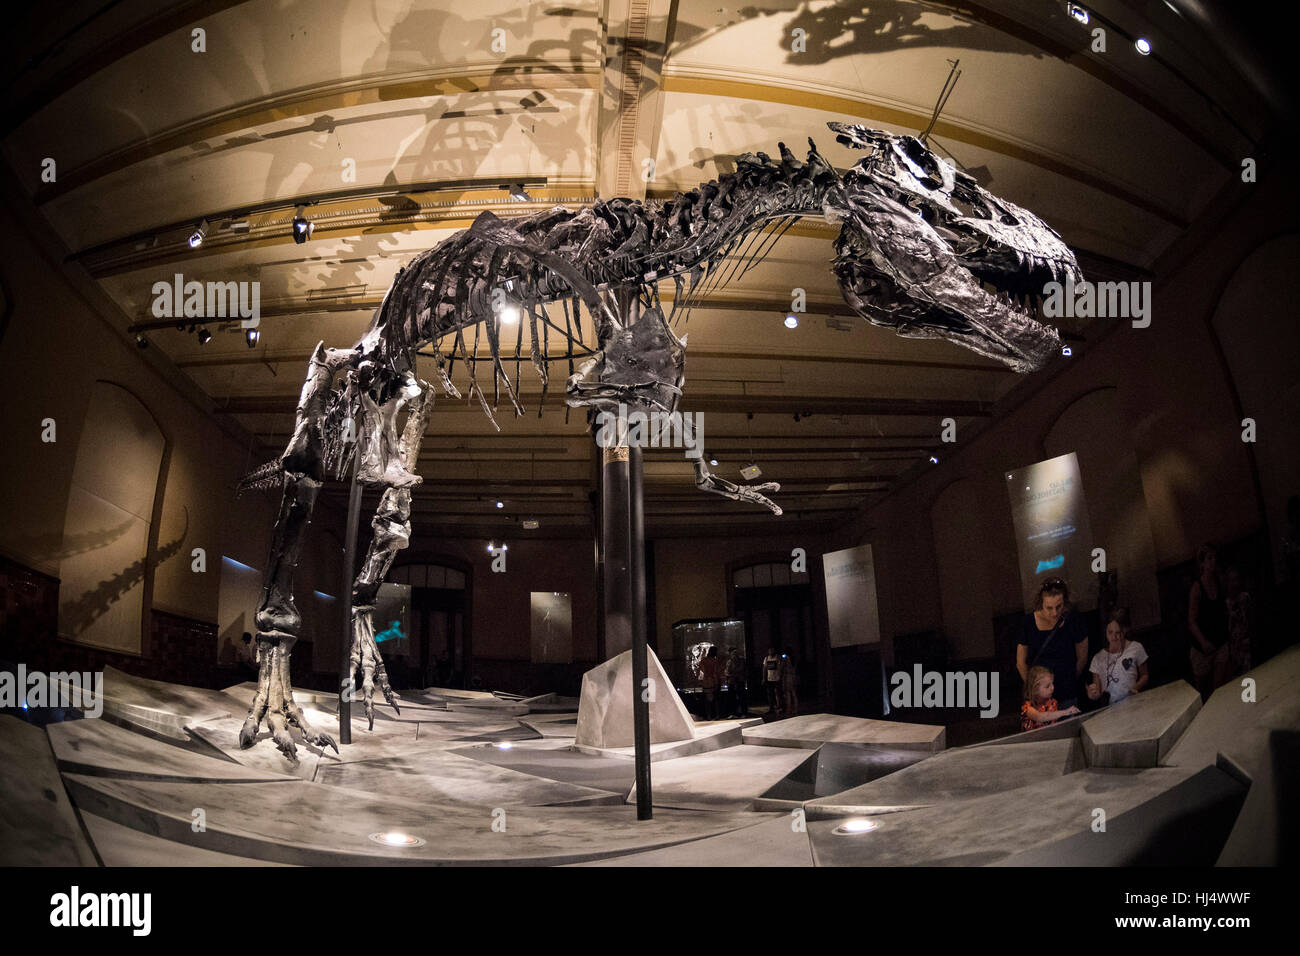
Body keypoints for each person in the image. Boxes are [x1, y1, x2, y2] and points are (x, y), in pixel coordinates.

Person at [1016, 577, 1089, 709]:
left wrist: (1069, 678)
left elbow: (1082, 657)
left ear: (1065, 602)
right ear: (1041, 603)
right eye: (1049, 608)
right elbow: (1020, 662)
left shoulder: (1073, 619)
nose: (1054, 613)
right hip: (1040, 697)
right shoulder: (1028, 622)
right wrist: (1033, 689)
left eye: (1059, 606)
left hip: (1067, 692)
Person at [1188, 543, 1232, 698]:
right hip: (1202, 646)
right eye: (1209, 558)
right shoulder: (1197, 587)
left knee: (1219, 686)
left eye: (1214, 558)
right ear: (1202, 563)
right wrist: (1203, 642)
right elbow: (1192, 621)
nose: (1213, 561)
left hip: (1220, 640)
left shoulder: (1220, 581)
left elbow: (1224, 606)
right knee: (1202, 688)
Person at [1086, 608, 1149, 706]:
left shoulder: (1136, 648)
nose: (1114, 637)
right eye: (1110, 632)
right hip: (1110, 710)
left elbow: (1145, 675)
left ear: (1125, 630)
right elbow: (1097, 692)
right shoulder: (1098, 658)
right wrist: (1092, 694)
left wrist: (1135, 688)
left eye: (1118, 633)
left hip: (1132, 704)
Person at [1021, 666, 1080, 731]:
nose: (1052, 688)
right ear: (1035, 690)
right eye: (1047, 686)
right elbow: (1040, 717)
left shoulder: (1052, 702)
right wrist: (1066, 712)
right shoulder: (1028, 708)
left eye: (1052, 683)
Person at [1224, 566, 1253, 674]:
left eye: (1236, 579)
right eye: (1231, 580)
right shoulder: (1225, 603)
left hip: (1246, 642)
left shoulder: (1245, 597)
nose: (1234, 583)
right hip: (1232, 646)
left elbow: (1250, 618)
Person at [699, 645, 722, 720]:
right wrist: (717, 682)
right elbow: (715, 672)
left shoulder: (703, 660)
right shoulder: (715, 661)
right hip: (713, 680)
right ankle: (717, 715)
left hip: (706, 681)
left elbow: (702, 670)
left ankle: (708, 715)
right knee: (716, 699)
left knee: (707, 699)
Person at [761, 645, 784, 718]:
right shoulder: (766, 658)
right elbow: (764, 668)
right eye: (770, 650)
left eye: (772, 650)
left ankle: (780, 707)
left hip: (777, 678)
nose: (771, 652)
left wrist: (780, 676)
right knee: (770, 694)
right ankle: (771, 708)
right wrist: (764, 678)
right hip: (769, 678)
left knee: (778, 693)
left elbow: (781, 667)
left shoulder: (778, 657)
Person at [781, 652, 798, 717]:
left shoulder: (787, 661)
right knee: (793, 694)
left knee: (788, 694)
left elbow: (783, 668)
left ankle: (789, 709)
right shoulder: (793, 661)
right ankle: (795, 709)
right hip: (792, 677)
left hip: (788, 677)